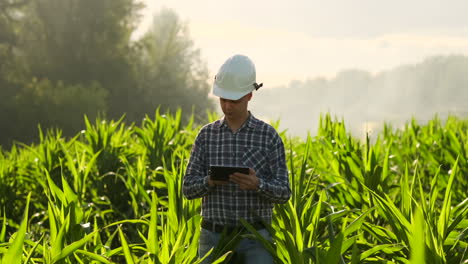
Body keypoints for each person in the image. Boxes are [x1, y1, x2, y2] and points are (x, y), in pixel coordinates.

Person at [183, 54, 291, 264]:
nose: (227, 107)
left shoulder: (268, 137)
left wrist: (257, 185)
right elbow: (187, 189)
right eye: (223, 100)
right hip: (212, 239)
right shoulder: (206, 136)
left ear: (249, 96)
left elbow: (284, 192)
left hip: (256, 240)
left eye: (234, 101)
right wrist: (210, 181)